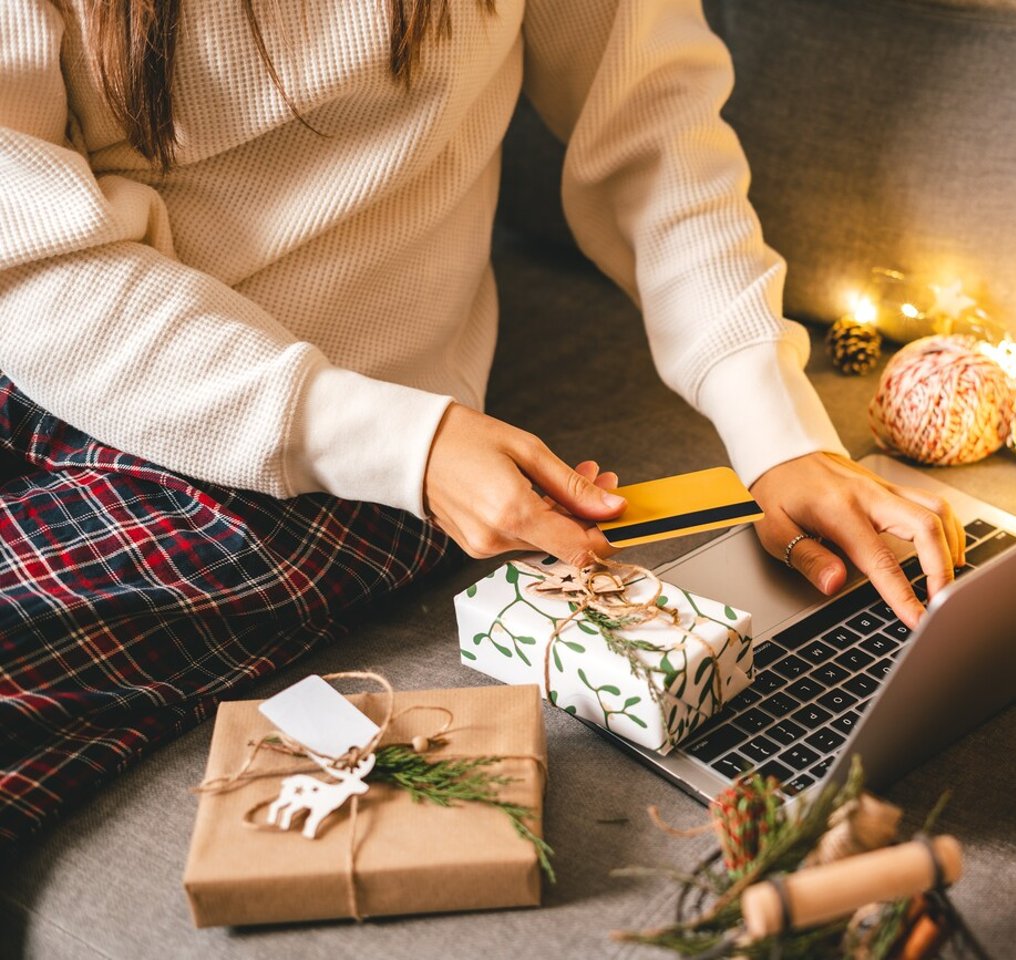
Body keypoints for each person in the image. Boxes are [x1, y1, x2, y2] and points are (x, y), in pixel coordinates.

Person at [0, 0, 959, 845]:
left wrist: (777, 429)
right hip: (61, 352)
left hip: (307, 470)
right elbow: (30, 258)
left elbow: (652, 126)